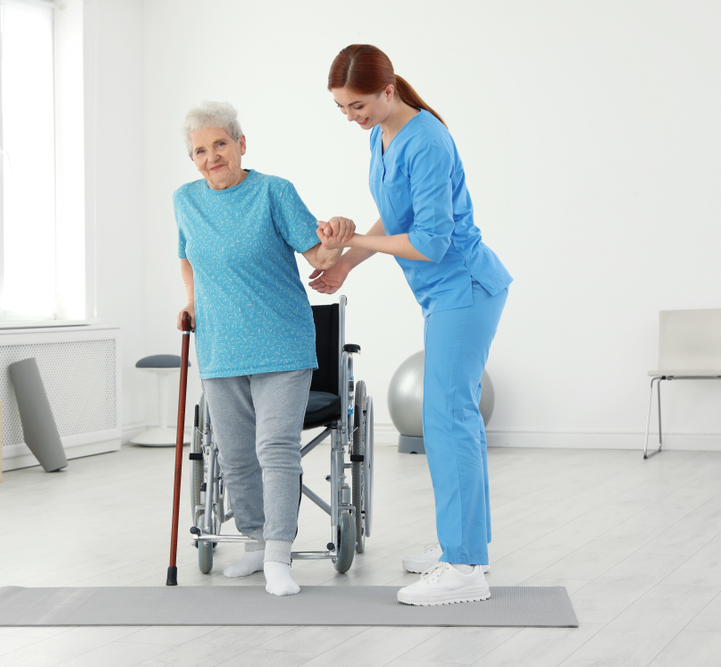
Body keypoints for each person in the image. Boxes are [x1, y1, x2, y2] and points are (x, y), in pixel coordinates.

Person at [311, 45, 513, 606]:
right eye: (343, 109)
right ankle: (463, 546)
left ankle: (466, 566)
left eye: (358, 105)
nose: (353, 117)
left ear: (388, 88)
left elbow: (430, 241)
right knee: (454, 419)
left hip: (464, 289)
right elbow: (396, 216)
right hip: (443, 294)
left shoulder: (425, 140)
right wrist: (348, 263)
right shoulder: (385, 136)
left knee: (447, 419)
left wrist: (349, 241)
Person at [174, 101, 354, 596]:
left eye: (220, 145)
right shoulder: (185, 200)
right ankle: (254, 543)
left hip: (281, 343)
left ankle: (279, 554)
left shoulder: (274, 192)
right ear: (192, 159)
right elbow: (187, 257)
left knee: (275, 449)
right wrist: (191, 301)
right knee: (234, 455)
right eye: (200, 151)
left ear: (241, 144)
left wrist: (336, 240)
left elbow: (316, 253)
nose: (212, 157)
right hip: (220, 345)